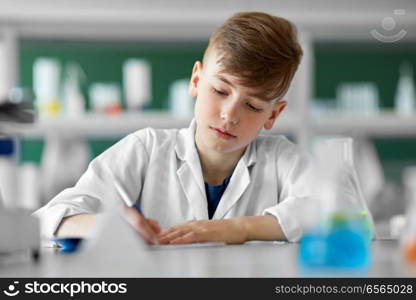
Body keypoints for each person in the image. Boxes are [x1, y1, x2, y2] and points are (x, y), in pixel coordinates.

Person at [34, 11, 311, 246]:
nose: (229, 115)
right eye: (219, 90)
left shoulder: (282, 158)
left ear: (273, 114)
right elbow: (48, 217)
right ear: (196, 80)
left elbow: (341, 211)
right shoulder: (146, 148)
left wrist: (239, 228)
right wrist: (109, 225)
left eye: (252, 106)